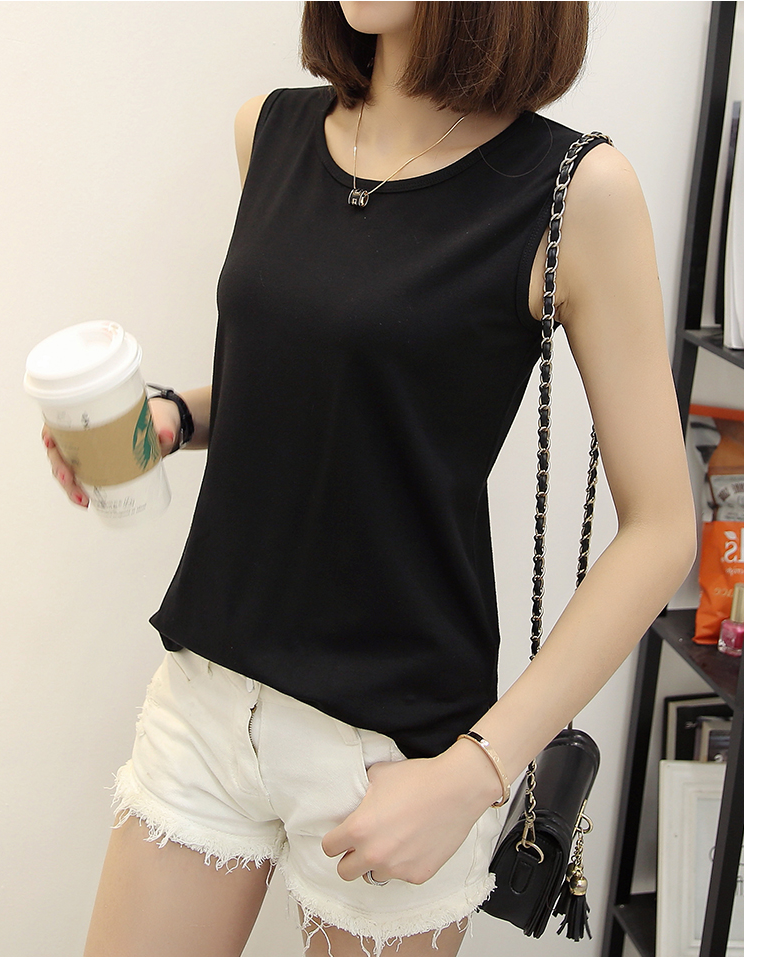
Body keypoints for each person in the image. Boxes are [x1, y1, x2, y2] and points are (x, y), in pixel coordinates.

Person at [42, 2, 696, 956]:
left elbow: (663, 527)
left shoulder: (575, 190)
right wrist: (172, 418)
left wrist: (478, 771)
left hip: (396, 750)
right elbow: (322, 379)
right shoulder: (268, 131)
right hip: (208, 696)